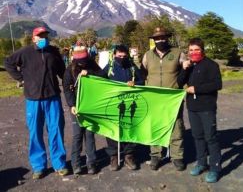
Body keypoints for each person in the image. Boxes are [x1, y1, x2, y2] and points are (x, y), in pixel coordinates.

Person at [4, 26, 68, 179]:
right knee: (35, 133)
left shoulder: (53, 52)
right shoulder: (25, 52)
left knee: (57, 130)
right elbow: (8, 62)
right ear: (34, 38)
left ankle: (59, 164)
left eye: (45, 35)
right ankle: (39, 166)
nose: (43, 38)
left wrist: (73, 79)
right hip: (33, 100)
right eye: (40, 36)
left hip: (53, 97)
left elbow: (62, 72)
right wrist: (21, 79)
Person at [141, 27, 186, 171]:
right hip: (153, 98)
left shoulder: (178, 53)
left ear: (167, 38)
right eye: (157, 38)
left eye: (163, 38)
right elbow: (142, 74)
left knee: (176, 126)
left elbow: (185, 71)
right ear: (153, 40)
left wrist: (179, 85)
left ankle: (177, 156)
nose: (160, 40)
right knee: (154, 126)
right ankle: (155, 155)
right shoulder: (147, 55)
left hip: (172, 98)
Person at [177, 38, 222, 183]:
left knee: (211, 138)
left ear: (202, 50)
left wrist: (197, 89)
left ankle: (215, 168)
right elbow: (180, 82)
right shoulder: (189, 66)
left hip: (207, 108)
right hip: (192, 108)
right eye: (191, 50)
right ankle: (201, 163)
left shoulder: (211, 65)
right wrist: (184, 69)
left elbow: (217, 84)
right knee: (197, 136)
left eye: (196, 50)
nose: (194, 52)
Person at [63, 42, 106, 175]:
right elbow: (66, 88)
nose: (82, 63)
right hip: (77, 107)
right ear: (75, 58)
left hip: (90, 106)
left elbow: (104, 76)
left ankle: (91, 163)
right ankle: (76, 164)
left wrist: (90, 73)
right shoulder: (69, 69)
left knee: (90, 134)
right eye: (79, 61)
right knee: (77, 135)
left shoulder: (92, 64)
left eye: (84, 60)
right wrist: (72, 105)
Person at [103, 44, 144, 171]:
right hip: (113, 103)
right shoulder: (109, 67)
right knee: (112, 128)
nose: (122, 58)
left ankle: (129, 155)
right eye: (119, 56)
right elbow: (99, 80)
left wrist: (135, 83)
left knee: (129, 127)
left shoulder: (132, 67)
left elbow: (142, 81)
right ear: (114, 55)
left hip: (129, 103)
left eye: (124, 56)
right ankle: (114, 156)